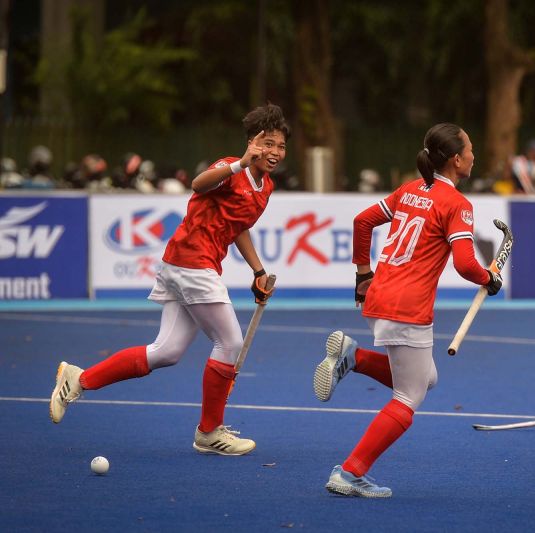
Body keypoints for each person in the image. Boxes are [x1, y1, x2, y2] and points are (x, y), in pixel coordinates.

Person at [48, 102, 291, 455]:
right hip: (192, 263)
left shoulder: (265, 186)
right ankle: (209, 431)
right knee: (229, 342)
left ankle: (78, 379)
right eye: (267, 143)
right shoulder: (230, 167)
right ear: (252, 142)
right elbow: (198, 184)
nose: (274, 152)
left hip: (186, 264)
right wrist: (240, 161)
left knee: (166, 352)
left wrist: (258, 271)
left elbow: (240, 228)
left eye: (280, 146)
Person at [312, 123, 503, 498]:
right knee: (409, 397)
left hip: (379, 296)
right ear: (455, 160)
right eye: (470, 149)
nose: (474, 156)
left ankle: (353, 358)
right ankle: (350, 473)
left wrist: (362, 276)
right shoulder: (457, 205)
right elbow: (466, 265)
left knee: (426, 378)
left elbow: (362, 221)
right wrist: (489, 278)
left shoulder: (410, 190)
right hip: (408, 308)